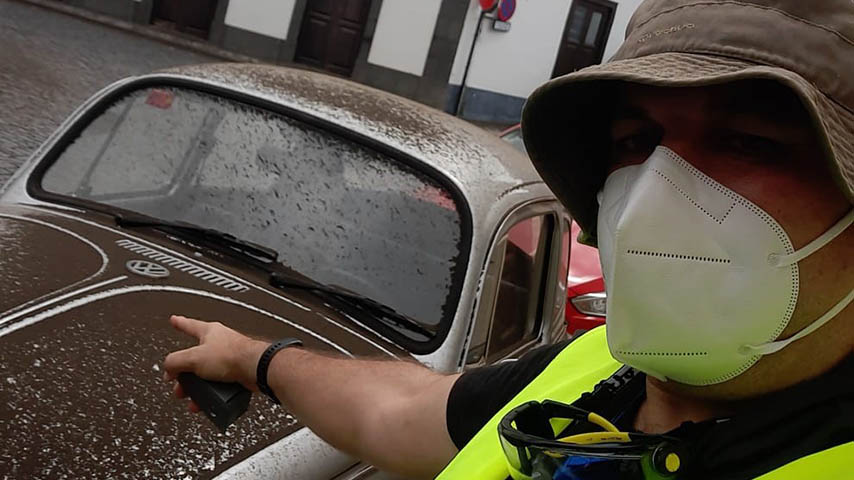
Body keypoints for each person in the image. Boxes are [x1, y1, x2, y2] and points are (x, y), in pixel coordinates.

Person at [163, 0, 854, 478]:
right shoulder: (589, 374)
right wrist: (255, 358)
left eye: (748, 142)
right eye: (634, 141)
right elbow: (398, 411)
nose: (657, 190)